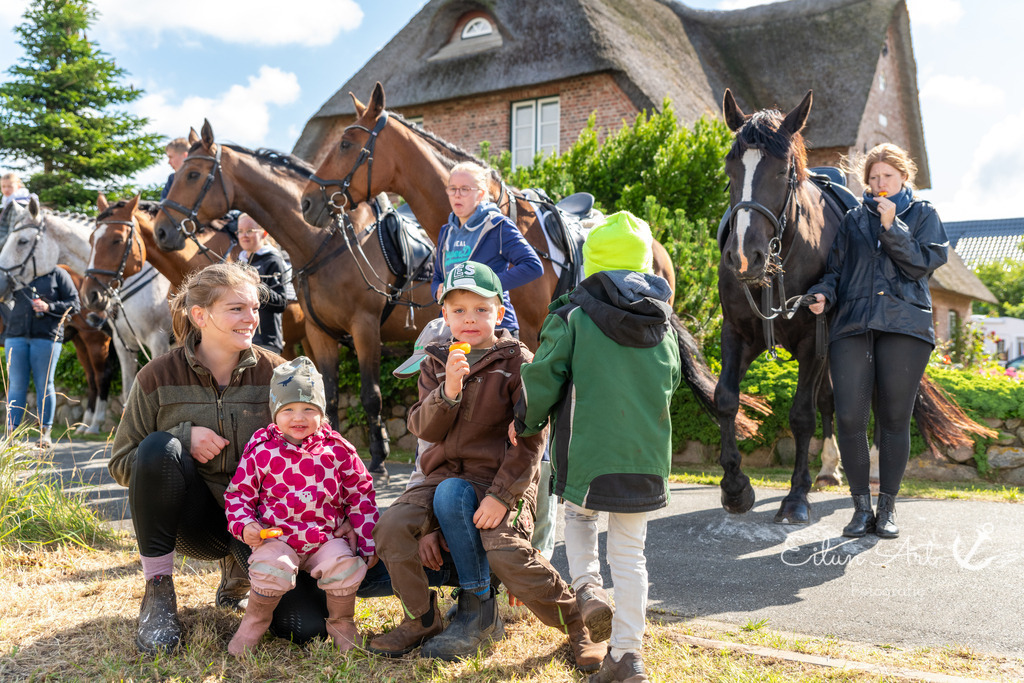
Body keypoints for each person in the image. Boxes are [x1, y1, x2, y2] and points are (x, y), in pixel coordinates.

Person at [368, 261, 605, 671]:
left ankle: (577, 625)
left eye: (481, 309)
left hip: (499, 478)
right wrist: (449, 390)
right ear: (445, 316)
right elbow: (423, 427)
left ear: (499, 313)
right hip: (445, 477)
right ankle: (421, 619)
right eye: (459, 310)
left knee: (504, 551)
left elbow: (531, 439)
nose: (470, 319)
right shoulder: (435, 361)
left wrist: (502, 496)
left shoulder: (517, 362)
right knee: (391, 528)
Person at [514, 212, 680, 683]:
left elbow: (543, 379)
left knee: (580, 519)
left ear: (590, 265)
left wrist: (525, 421)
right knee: (631, 556)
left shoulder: (573, 316)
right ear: (644, 265)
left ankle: (588, 589)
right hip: (646, 460)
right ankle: (627, 656)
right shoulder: (664, 325)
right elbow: (671, 381)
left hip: (587, 455)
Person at [109, 261, 285, 653]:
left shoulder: (279, 375)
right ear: (200, 316)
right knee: (158, 447)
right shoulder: (157, 376)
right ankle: (158, 593)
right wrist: (181, 439)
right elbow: (122, 463)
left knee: (300, 626)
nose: (251, 318)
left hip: (259, 526)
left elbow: (317, 452)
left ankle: (240, 573)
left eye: (254, 308)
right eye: (237, 308)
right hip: (196, 523)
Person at [808, 143, 948, 540]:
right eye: (872, 177)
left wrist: (892, 227)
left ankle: (886, 509)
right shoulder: (854, 219)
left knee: (893, 419)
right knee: (850, 418)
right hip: (853, 325)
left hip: (905, 327)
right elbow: (835, 271)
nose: (879, 182)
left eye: (887, 175)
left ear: (904, 177)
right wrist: (823, 294)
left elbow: (922, 264)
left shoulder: (922, 214)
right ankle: (860, 509)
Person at [223, 356, 378, 656]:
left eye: (309, 409)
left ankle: (342, 623)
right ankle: (255, 620)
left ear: (322, 412)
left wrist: (366, 537)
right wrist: (245, 525)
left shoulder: (338, 450)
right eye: (288, 410)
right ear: (274, 413)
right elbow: (238, 495)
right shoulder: (262, 449)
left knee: (344, 566)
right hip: (278, 538)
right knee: (270, 568)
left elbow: (362, 493)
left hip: (326, 538)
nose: (299, 417)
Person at [431, 161, 543, 338]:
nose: (457, 195)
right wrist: (437, 290)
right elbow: (438, 277)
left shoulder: (499, 226)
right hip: (455, 329)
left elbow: (533, 266)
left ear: (481, 194)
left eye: (465, 189)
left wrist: (485, 287)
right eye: (452, 189)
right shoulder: (446, 231)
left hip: (495, 330)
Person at [4, 265, 81, 448]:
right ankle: (11, 435)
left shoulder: (57, 273)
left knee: (45, 384)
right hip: (15, 336)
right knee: (16, 385)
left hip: (46, 338)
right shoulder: (17, 271)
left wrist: (49, 306)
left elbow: (75, 304)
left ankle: (45, 434)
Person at [236, 213, 288, 355]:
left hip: (266, 342)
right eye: (240, 231)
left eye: (250, 230)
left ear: (264, 233)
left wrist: (258, 286)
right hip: (240, 340)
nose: (244, 235)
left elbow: (281, 303)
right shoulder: (238, 263)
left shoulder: (273, 261)